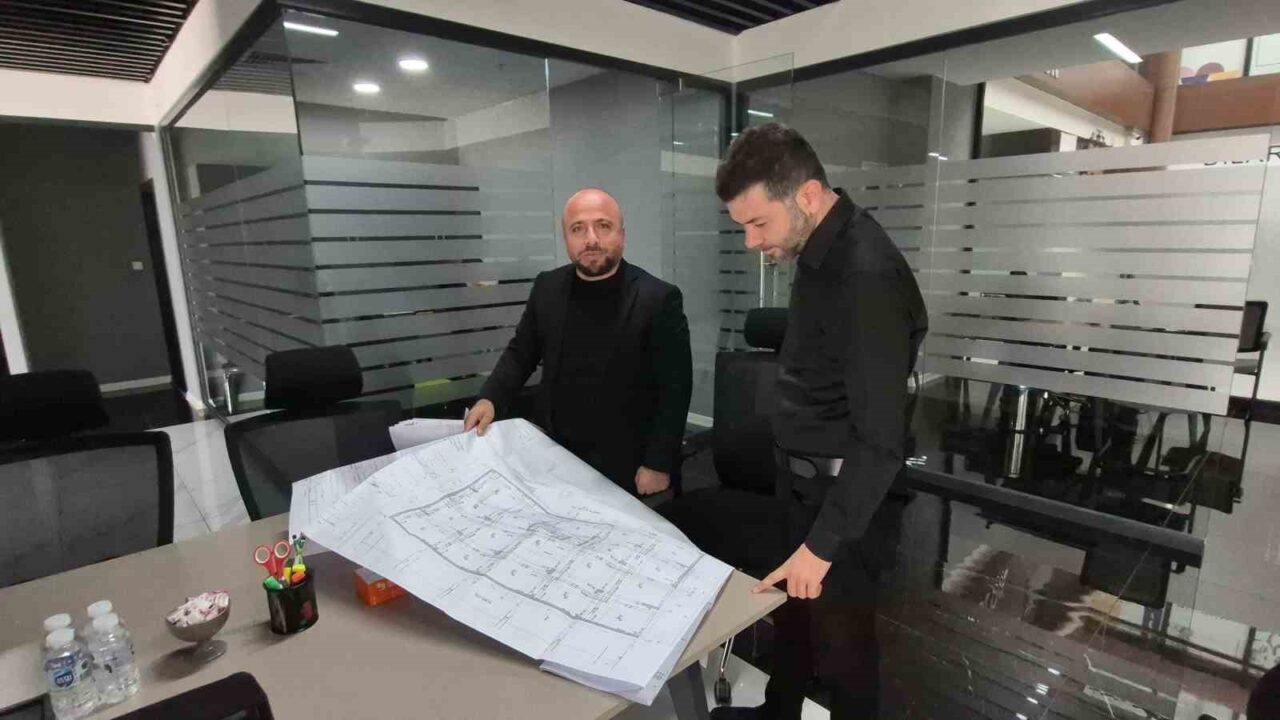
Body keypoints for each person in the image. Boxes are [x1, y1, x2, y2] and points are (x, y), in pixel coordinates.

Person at [712, 124, 928, 719]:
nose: (752, 241)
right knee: (796, 622)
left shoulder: (866, 273)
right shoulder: (817, 250)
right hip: (803, 482)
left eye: (759, 223)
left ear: (806, 196)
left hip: (843, 497)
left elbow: (881, 440)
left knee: (845, 650)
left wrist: (822, 545)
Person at [463, 187, 693, 497]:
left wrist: (658, 464)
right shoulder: (548, 286)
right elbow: (521, 352)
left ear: (622, 235)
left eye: (603, 226)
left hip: (626, 463)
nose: (591, 239)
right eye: (578, 229)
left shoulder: (658, 298)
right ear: (566, 238)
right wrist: (489, 398)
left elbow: (675, 389)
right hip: (553, 453)